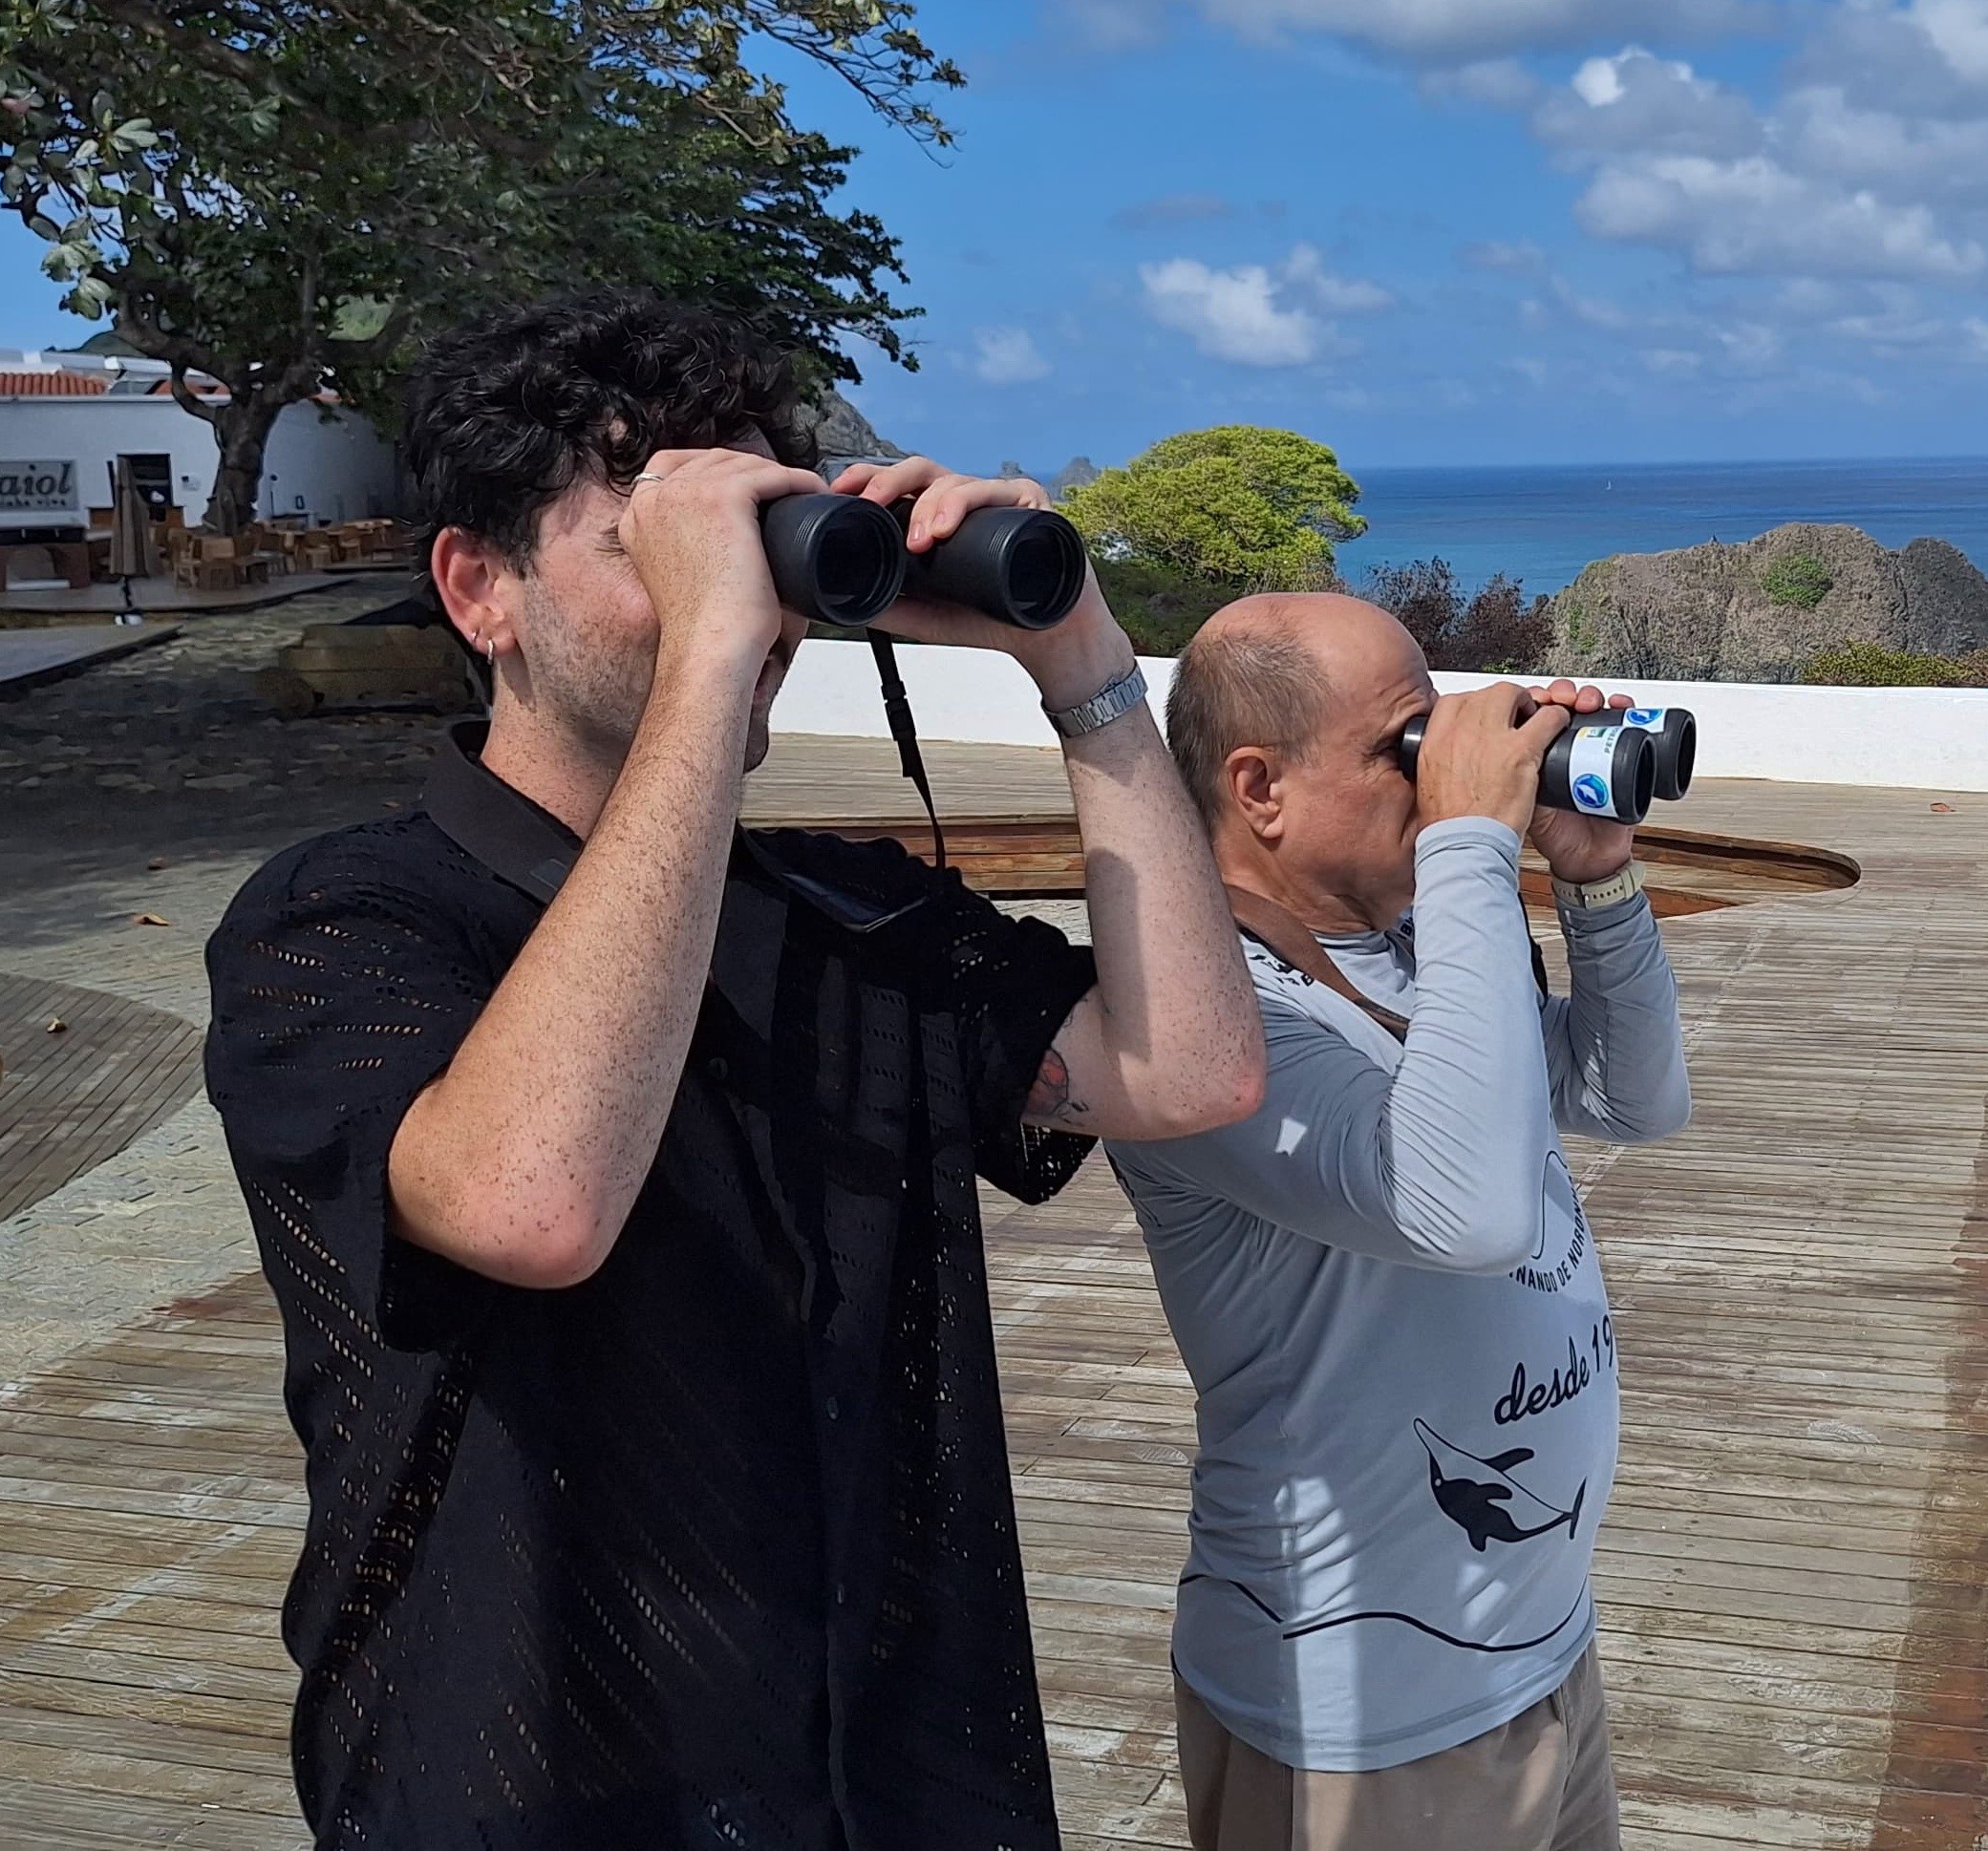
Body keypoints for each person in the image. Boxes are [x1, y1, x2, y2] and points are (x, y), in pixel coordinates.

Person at [202, 292, 1265, 1851]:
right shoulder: (341, 923)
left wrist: (1086, 667)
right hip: (535, 1789)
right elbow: (532, 1199)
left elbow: (1189, 1073)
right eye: (655, 543)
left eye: (754, 548)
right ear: (476, 589)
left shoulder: (849, 912)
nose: (746, 610)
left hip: (892, 1781)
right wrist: (711, 658)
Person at [1106, 593, 1694, 1851]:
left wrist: (1594, 879)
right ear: (1259, 787)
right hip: (1358, 1725)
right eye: (1405, 746)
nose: (1439, 779)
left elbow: (1633, 1101)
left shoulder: (1418, 943)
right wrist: (1476, 841)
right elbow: (1467, 1206)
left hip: (1539, 1649)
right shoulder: (1194, 1022)